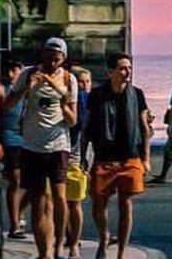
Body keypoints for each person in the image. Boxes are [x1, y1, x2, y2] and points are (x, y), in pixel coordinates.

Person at [4, 37, 78, 259]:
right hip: (32, 145)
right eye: (48, 58)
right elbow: (7, 106)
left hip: (58, 144)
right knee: (38, 200)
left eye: (56, 59)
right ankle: (43, 252)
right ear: (42, 55)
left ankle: (58, 248)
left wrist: (63, 105)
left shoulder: (68, 79)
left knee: (59, 197)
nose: (51, 64)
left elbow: (73, 120)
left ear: (63, 59)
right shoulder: (28, 74)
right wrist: (25, 89)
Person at [84, 52, 152, 259]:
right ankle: (104, 237)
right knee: (99, 203)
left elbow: (144, 127)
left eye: (129, 68)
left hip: (130, 156)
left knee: (126, 204)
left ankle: (122, 252)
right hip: (104, 156)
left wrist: (146, 158)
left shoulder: (136, 94)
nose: (127, 72)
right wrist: (84, 158)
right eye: (122, 68)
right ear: (111, 71)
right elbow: (87, 127)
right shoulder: (97, 95)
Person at [0, 61, 27, 240]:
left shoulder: (26, 89)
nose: (12, 74)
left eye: (16, 71)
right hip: (9, 137)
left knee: (35, 183)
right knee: (15, 180)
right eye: (9, 70)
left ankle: (19, 212)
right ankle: (15, 224)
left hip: (27, 136)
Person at [65, 67, 92, 259]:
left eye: (87, 82)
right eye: (80, 82)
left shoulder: (89, 102)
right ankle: (70, 238)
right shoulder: (73, 101)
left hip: (76, 158)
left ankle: (74, 240)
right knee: (63, 202)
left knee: (73, 202)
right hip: (63, 154)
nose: (84, 86)